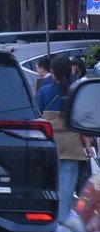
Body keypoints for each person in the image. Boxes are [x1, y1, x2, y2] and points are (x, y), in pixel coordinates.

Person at [39, 54, 90, 219]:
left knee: (48, 184)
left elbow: (36, 117)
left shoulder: (45, 91)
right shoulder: (78, 91)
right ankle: (63, 220)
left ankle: (48, 217)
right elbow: (83, 121)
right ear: (71, 70)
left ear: (52, 72)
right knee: (67, 187)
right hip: (72, 143)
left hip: (48, 142)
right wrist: (88, 145)